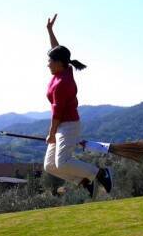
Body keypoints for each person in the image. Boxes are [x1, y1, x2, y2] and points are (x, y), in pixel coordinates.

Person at [43, 14, 112, 198]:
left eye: (49, 61)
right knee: (49, 165)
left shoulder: (62, 83)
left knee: (62, 162)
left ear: (58, 63)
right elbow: (57, 51)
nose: (47, 63)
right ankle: (83, 180)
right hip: (62, 126)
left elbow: (57, 114)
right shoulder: (65, 69)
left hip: (68, 126)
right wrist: (50, 31)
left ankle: (99, 173)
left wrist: (51, 134)